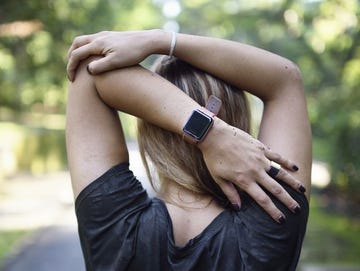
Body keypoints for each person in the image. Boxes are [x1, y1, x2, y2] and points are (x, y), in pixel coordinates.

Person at [66, 30, 312, 271]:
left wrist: (209, 133)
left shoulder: (114, 226)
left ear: (149, 133)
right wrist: (164, 41)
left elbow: (89, 65)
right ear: (240, 128)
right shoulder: (274, 221)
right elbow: (285, 80)